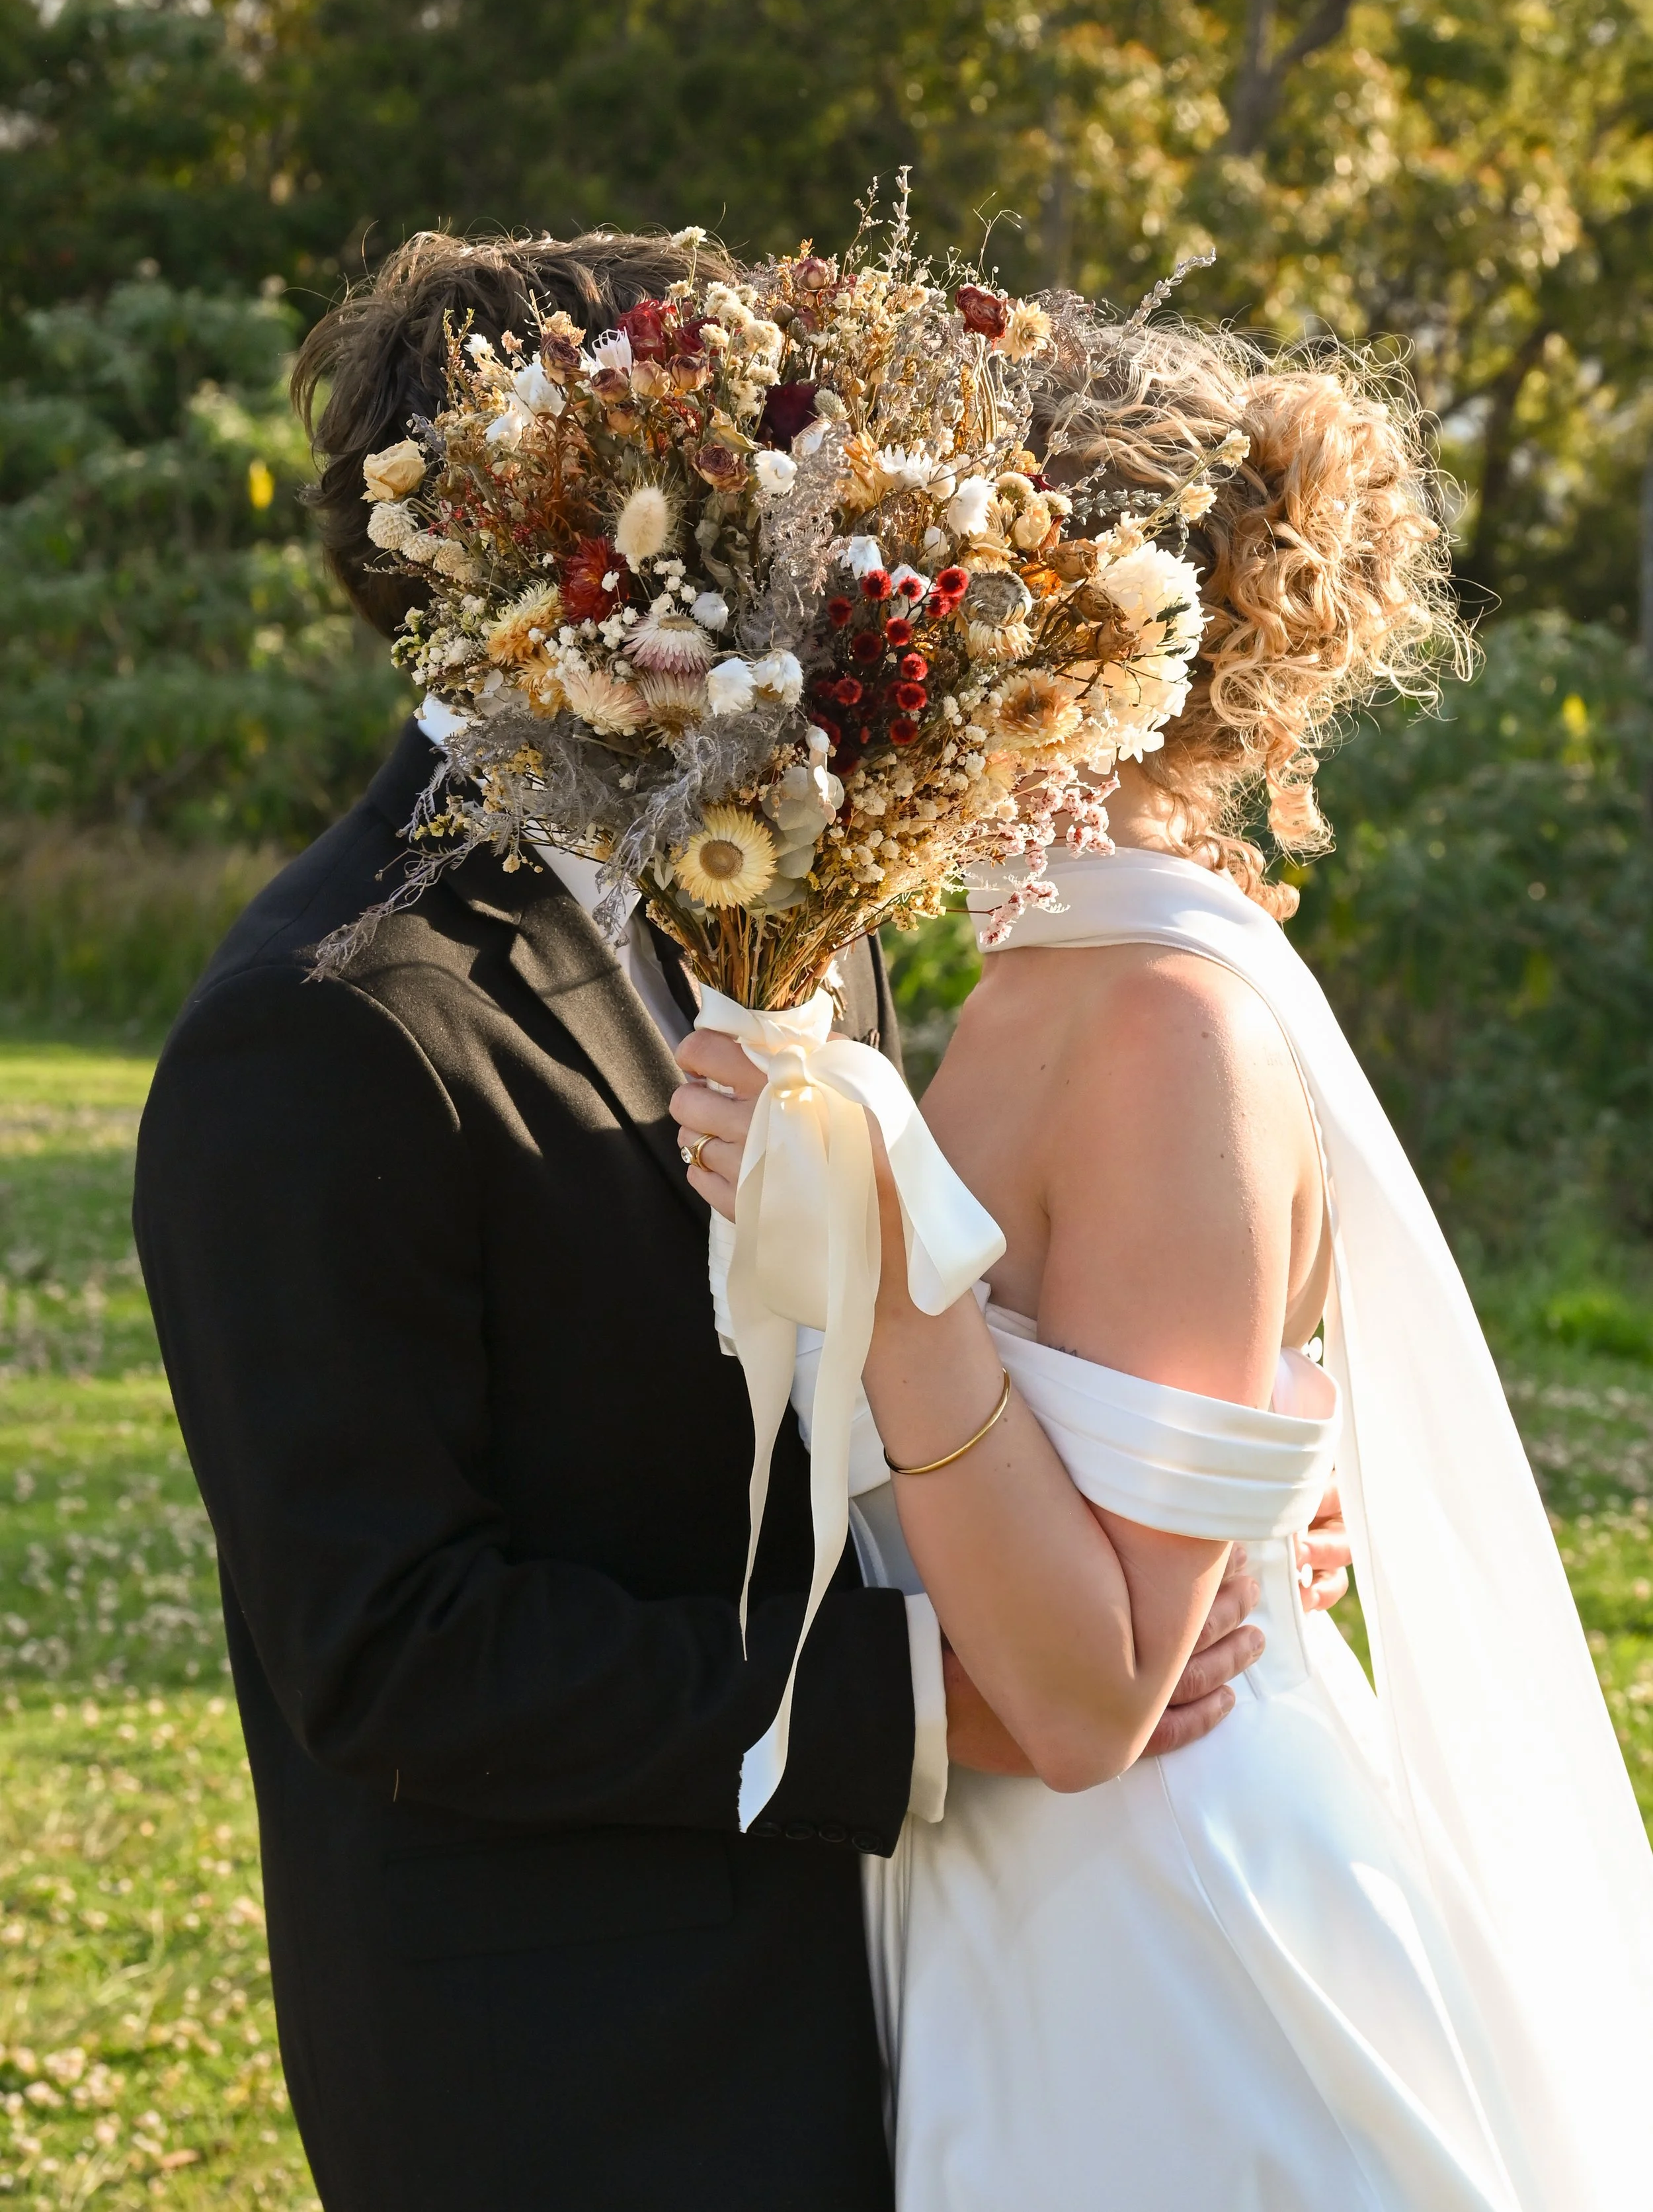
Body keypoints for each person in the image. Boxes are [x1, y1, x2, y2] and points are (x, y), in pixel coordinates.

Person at [130, 231, 1269, 2212]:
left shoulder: (786, 902)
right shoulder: (317, 1035)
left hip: (910, 2000)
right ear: (540, 534)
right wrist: (941, 1703)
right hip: (578, 2074)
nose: (815, 521)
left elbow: (897, 1348)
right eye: (747, 464)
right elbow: (391, 1648)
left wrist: (1156, 1501)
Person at [672, 329, 1653, 2209]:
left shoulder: (1163, 1026)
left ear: (1049, 648)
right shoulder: (1033, 983)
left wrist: (885, 1274)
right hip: (1013, 1902)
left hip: (1167, 1925)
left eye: (910, 599)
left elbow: (1096, 1698)